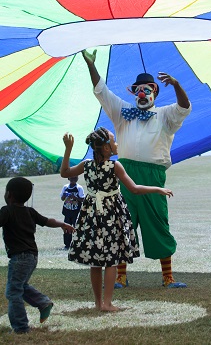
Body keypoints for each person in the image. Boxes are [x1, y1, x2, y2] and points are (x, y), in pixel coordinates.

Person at [82, 49, 191, 289]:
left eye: (148, 90)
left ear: (155, 92)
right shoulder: (122, 113)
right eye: (138, 90)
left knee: (158, 223)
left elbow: (184, 107)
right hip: (124, 173)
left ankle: (168, 277)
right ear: (133, 93)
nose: (142, 94)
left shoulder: (165, 114)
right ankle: (121, 276)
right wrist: (91, 65)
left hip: (153, 175)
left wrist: (176, 84)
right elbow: (102, 91)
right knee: (122, 223)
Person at [60, 127, 173, 311]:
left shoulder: (87, 165)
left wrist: (68, 148)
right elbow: (134, 188)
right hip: (111, 214)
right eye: (113, 141)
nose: (116, 144)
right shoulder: (115, 166)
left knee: (95, 260)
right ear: (106, 148)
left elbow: (64, 172)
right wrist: (158, 189)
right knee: (111, 260)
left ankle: (98, 303)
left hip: (91, 215)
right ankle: (107, 303)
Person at [0, 177, 74, 334]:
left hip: (19, 258)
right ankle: (43, 302)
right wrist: (62, 224)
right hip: (32, 257)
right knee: (21, 286)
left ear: (9, 195)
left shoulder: (6, 211)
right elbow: (47, 221)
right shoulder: (30, 211)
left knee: (13, 292)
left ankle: (21, 328)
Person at [60, 176, 85, 249]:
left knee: (76, 227)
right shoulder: (65, 187)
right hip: (67, 211)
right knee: (67, 228)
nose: (73, 179)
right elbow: (62, 198)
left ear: (77, 179)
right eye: (72, 178)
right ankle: (67, 244)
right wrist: (64, 196)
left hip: (76, 211)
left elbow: (82, 199)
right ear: (68, 178)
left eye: (75, 178)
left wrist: (74, 197)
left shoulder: (79, 188)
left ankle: (77, 244)